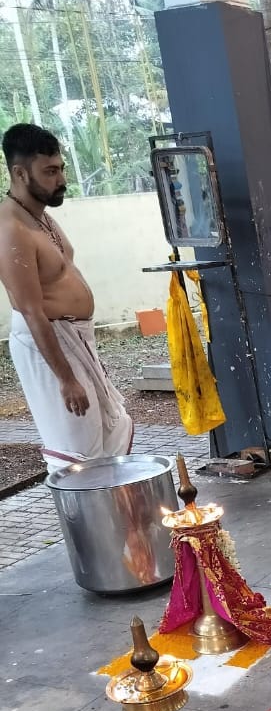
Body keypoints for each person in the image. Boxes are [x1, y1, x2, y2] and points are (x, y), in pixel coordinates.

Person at [0, 123, 132, 472]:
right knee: (77, 456)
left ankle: (117, 525)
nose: (60, 179)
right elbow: (30, 310)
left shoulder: (41, 219)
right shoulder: (10, 228)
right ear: (19, 172)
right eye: (50, 172)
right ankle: (87, 526)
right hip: (49, 346)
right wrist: (66, 379)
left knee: (110, 434)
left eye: (60, 169)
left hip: (76, 340)